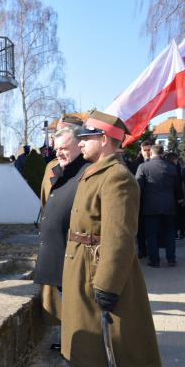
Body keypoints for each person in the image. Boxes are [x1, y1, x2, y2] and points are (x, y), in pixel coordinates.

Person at [61, 110, 161, 367]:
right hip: (81, 269)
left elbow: (119, 237)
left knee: (106, 352)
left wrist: (107, 285)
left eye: (86, 136)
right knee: (84, 350)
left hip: (96, 274)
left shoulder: (116, 177)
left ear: (104, 138)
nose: (79, 142)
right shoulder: (94, 172)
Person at [33, 116, 89, 350]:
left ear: (80, 144)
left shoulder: (89, 171)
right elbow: (47, 200)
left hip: (74, 246)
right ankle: (67, 340)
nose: (59, 153)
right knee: (59, 294)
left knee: (77, 300)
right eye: (57, 149)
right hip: (54, 245)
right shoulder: (51, 168)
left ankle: (77, 344)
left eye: (64, 148)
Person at [135, 145, 182, 267]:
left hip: (150, 206)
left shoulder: (143, 167)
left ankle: (154, 260)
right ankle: (171, 259)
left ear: (151, 153)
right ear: (162, 153)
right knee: (170, 233)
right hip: (169, 205)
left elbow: (138, 186)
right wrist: (180, 199)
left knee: (151, 234)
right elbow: (177, 187)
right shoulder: (172, 167)